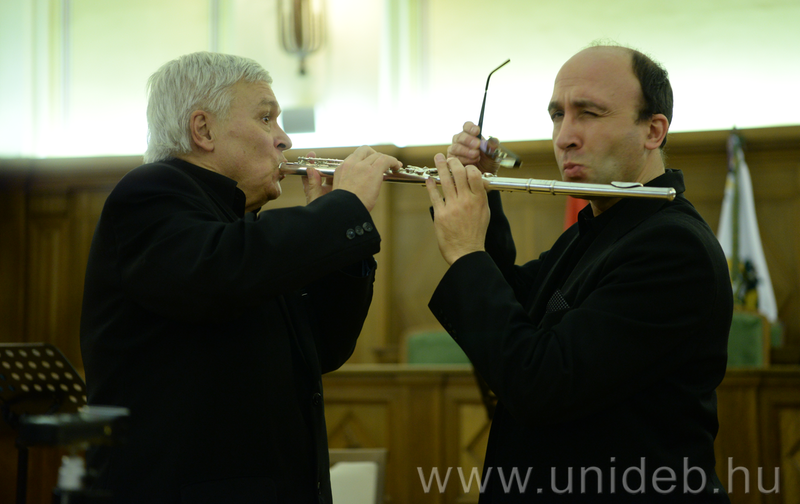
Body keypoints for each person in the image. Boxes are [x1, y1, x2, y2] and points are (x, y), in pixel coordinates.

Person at [79, 51, 400, 503]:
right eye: (266, 118)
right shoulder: (149, 193)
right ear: (203, 130)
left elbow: (322, 349)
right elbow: (219, 273)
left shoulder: (240, 229)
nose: (284, 139)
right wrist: (338, 213)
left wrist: (338, 250)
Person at [425, 44, 733, 502]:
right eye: (557, 115)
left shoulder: (673, 247)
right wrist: (479, 193)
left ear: (653, 131)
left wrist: (466, 252)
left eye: (588, 113)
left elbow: (540, 384)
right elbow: (518, 307)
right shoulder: (600, 227)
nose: (564, 136)